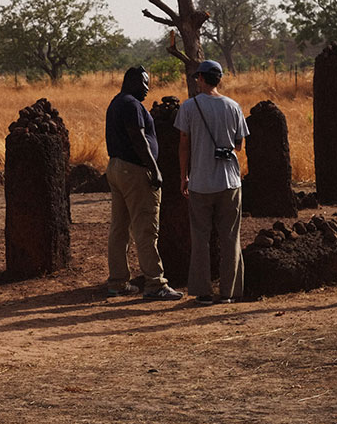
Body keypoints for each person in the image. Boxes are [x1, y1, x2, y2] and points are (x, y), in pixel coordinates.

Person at [105, 66, 183, 301]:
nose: (148, 88)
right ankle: (155, 284)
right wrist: (154, 168)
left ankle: (118, 282)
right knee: (146, 228)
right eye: (145, 82)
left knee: (119, 228)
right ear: (132, 81)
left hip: (116, 168)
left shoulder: (117, 102)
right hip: (135, 171)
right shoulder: (131, 104)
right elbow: (138, 137)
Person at [174, 60, 249, 305]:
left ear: (203, 79)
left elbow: (184, 143)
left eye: (198, 78)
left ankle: (203, 292)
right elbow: (239, 145)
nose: (196, 82)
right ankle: (229, 292)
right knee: (230, 238)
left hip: (201, 182)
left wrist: (184, 175)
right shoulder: (233, 106)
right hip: (229, 181)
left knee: (201, 238)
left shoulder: (189, 107)